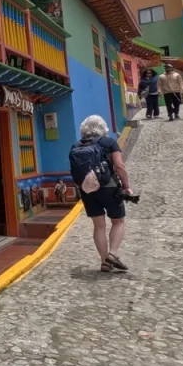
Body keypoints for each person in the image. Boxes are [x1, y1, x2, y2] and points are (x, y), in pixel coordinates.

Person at [69, 115, 132, 273]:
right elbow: (119, 166)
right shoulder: (109, 142)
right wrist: (127, 186)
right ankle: (112, 254)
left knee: (98, 226)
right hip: (109, 187)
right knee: (118, 221)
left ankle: (104, 262)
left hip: (87, 190)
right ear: (103, 128)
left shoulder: (76, 146)